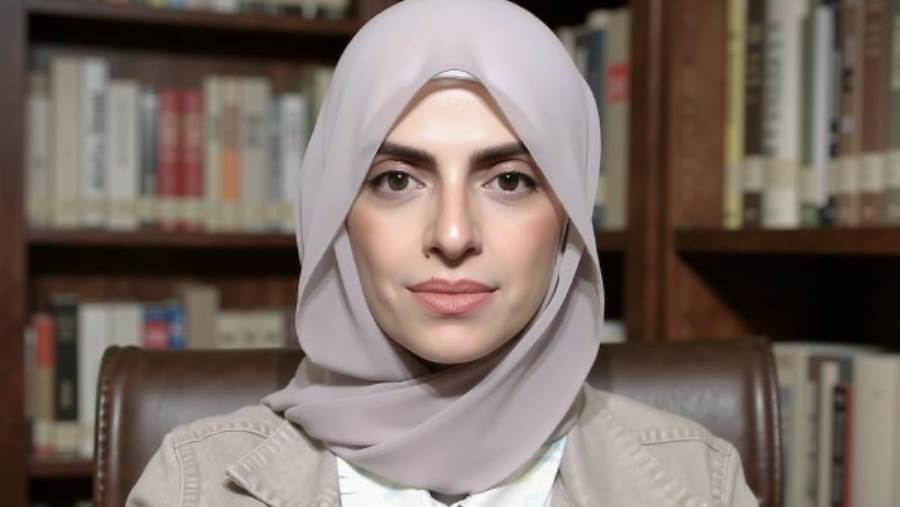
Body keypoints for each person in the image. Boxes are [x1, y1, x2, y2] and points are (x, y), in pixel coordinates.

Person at [127, 0, 759, 505]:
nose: (453, 236)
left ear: (568, 215)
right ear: (334, 212)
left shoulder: (701, 485)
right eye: (397, 179)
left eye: (509, 180)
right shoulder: (191, 487)